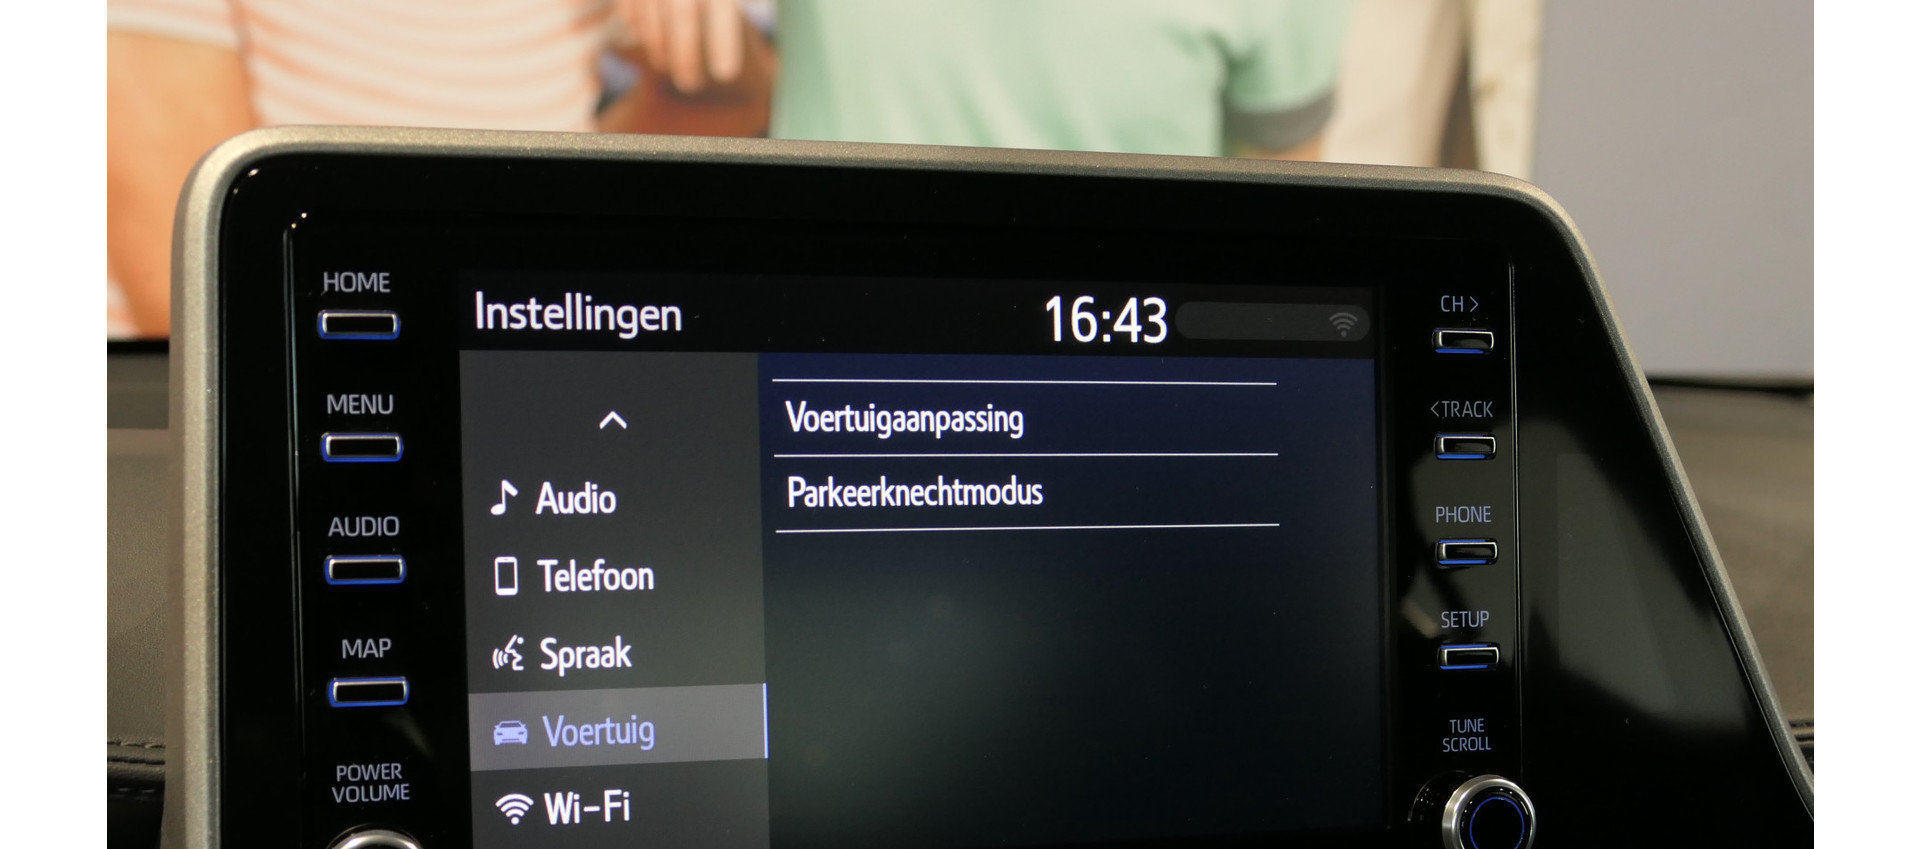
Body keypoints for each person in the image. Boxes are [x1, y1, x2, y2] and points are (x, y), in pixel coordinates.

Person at [106, 0, 772, 335]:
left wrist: (714, 43)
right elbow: (195, 288)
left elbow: (719, 102)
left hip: (500, 333)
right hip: (277, 371)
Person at [620, 0, 1351, 160]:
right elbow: (737, 93)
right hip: (838, 349)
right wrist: (693, 52)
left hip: (1125, 366)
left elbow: (1286, 209)